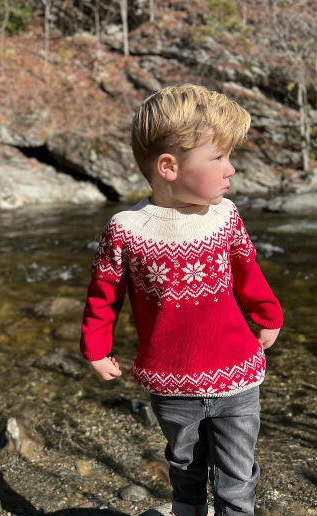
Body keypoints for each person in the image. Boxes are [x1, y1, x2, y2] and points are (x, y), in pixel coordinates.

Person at [79, 83, 283, 516]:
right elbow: (103, 295)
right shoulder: (128, 229)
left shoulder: (225, 216)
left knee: (236, 475)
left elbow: (247, 271)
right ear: (169, 167)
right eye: (218, 158)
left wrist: (267, 313)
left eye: (230, 157)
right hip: (172, 383)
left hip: (238, 376)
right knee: (185, 465)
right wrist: (96, 347)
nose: (231, 170)